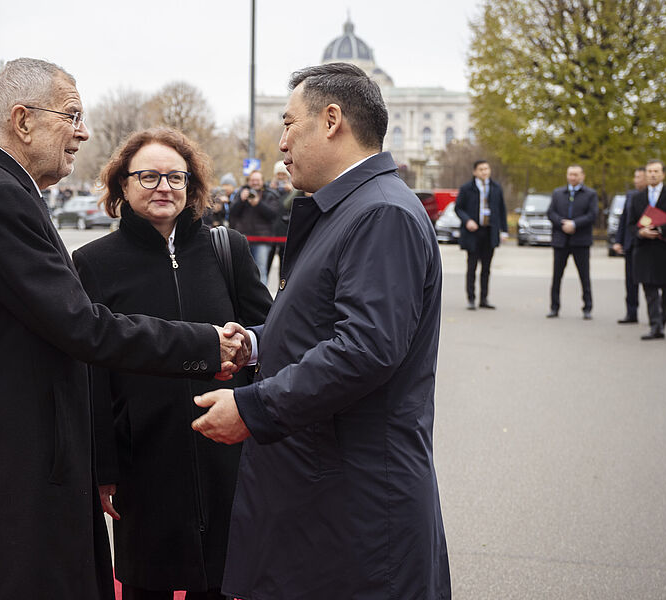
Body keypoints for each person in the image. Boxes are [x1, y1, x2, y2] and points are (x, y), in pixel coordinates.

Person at [0, 58, 248, 600]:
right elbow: (83, 327)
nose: (83, 131)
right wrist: (205, 342)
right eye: (71, 115)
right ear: (23, 121)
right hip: (13, 469)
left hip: (15, 458)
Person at [191, 62, 451, 600]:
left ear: (331, 120)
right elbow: (327, 322)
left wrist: (253, 408)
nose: (281, 141)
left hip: (356, 504)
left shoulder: (381, 213)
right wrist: (260, 342)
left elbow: (366, 348)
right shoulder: (354, 207)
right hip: (329, 490)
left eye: (289, 124)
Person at [72, 128, 273, 600]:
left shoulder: (228, 250)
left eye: (175, 177)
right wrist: (104, 468)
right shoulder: (93, 264)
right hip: (144, 460)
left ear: (192, 186)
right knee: (147, 587)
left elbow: (269, 335)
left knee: (223, 583)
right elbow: (92, 373)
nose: (164, 186)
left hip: (226, 454)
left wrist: (249, 352)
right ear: (122, 185)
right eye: (147, 176)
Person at [628, 159, 666, 340]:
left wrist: (661, 229)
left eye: (656, 171)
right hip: (644, 249)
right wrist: (641, 232)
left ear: (663, 174)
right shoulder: (638, 198)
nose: (653, 174)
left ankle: (662, 320)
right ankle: (655, 325)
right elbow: (630, 224)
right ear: (646, 174)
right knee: (649, 289)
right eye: (650, 171)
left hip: (665, 249)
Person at [546, 165, 599, 319]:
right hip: (560, 241)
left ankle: (587, 308)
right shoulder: (558, 193)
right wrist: (562, 223)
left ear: (582, 176)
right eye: (570, 174)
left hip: (580, 241)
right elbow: (551, 212)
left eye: (576, 175)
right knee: (556, 276)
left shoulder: (590, 194)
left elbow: (592, 215)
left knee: (584, 276)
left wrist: (575, 224)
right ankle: (554, 307)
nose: (572, 177)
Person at [455, 159, 508, 310]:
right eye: (481, 169)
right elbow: (458, 208)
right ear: (475, 172)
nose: (484, 172)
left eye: (486, 169)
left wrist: (503, 230)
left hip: (489, 232)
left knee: (486, 268)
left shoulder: (496, 187)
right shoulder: (467, 188)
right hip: (473, 232)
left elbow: (502, 210)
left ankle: (484, 299)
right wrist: (467, 221)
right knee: (472, 267)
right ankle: (471, 298)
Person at [229, 170, 281, 284]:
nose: (255, 183)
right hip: (243, 239)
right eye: (252, 180)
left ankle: (261, 301)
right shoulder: (240, 193)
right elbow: (232, 213)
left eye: (257, 180)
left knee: (260, 272)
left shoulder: (270, 194)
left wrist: (258, 204)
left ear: (262, 181)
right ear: (248, 181)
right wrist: (241, 201)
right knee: (241, 272)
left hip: (262, 240)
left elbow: (273, 214)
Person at [612, 167, 647, 323]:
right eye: (635, 177)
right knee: (630, 281)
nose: (635, 180)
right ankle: (631, 313)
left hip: (646, 245)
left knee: (648, 282)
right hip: (630, 244)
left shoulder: (652, 197)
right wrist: (618, 241)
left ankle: (655, 314)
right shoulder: (631, 195)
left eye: (639, 177)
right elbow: (623, 220)